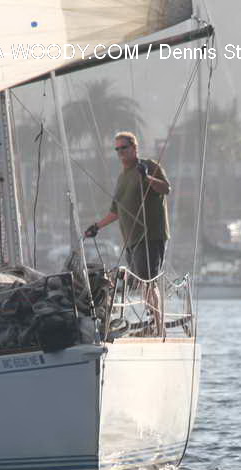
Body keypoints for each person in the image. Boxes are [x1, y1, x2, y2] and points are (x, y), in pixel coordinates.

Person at [83, 131, 171, 334]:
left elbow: (166, 189)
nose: (120, 152)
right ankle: (152, 322)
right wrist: (97, 226)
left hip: (150, 236)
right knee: (141, 282)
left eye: (124, 148)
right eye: (117, 149)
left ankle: (158, 327)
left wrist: (147, 177)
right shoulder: (122, 177)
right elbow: (115, 211)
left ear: (134, 148)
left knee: (149, 280)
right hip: (131, 240)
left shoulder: (149, 166)